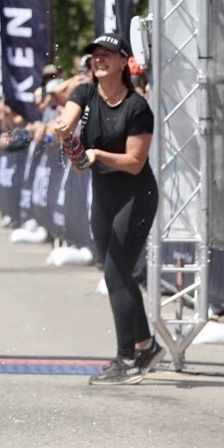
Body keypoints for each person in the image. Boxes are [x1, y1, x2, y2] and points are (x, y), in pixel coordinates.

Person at [52, 33, 165, 386]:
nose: (98, 59)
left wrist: (98, 154)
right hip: (104, 195)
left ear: (123, 63)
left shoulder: (137, 108)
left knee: (116, 273)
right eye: (94, 55)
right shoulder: (85, 93)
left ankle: (126, 359)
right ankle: (146, 346)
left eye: (107, 55)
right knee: (117, 272)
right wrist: (64, 133)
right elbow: (68, 123)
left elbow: (135, 162)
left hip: (137, 195)